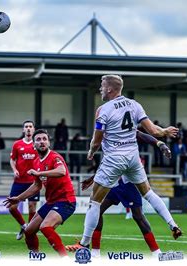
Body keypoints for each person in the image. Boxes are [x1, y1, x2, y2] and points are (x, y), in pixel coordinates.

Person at [65, 75, 180, 252]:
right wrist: (164, 132)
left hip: (114, 159)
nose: (100, 89)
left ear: (110, 89)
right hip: (133, 157)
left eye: (102, 86)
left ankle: (84, 244)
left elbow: (97, 139)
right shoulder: (135, 105)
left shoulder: (103, 109)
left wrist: (91, 151)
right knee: (148, 193)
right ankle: (172, 223)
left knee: (94, 203)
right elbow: (153, 130)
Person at [82, 130, 178, 258]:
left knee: (138, 217)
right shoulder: (109, 134)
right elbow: (108, 163)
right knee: (97, 210)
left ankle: (157, 253)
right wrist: (93, 178)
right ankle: (95, 253)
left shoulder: (124, 128)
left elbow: (142, 135)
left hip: (129, 184)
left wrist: (159, 143)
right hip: (114, 183)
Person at [4, 129, 76, 257]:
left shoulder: (55, 156)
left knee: (45, 227)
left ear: (49, 142)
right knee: (29, 231)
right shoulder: (36, 161)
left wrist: (39, 173)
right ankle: (36, 258)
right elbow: (37, 186)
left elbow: (61, 171)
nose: (42, 142)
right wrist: (19, 198)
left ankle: (65, 259)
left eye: (44, 139)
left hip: (66, 200)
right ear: (34, 144)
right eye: (38, 139)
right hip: (51, 202)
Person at [9, 120, 40, 240]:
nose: (28, 128)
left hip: (34, 182)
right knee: (12, 207)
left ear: (33, 129)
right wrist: (14, 170)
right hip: (19, 181)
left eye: (30, 127)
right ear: (23, 129)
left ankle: (30, 232)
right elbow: (12, 159)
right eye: (26, 127)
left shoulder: (38, 144)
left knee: (32, 207)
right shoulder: (17, 144)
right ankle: (23, 225)